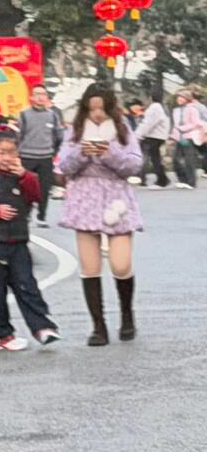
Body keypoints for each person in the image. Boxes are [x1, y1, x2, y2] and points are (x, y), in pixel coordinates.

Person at [57, 84, 143, 346]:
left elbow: (135, 164)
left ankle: (127, 314)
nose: (96, 114)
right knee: (90, 266)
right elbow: (64, 165)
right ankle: (98, 326)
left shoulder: (122, 128)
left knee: (121, 264)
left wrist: (109, 152)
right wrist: (81, 153)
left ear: (109, 107)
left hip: (116, 198)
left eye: (101, 109)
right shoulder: (75, 130)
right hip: (84, 197)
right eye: (91, 108)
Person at [0, 129, 59, 353]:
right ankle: (0, 335)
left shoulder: (23, 176)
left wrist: (24, 176)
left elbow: (36, 196)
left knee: (27, 285)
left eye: (11, 152)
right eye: (1, 152)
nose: (6, 157)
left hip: (17, 240)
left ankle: (42, 327)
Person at [16, 84, 64, 227]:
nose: (40, 97)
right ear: (31, 97)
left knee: (44, 189)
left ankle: (41, 217)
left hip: (45, 157)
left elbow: (59, 136)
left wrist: (53, 151)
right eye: (37, 94)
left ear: (47, 97)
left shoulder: (52, 115)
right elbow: (18, 135)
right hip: (27, 157)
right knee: (25, 188)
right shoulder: (24, 115)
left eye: (43, 94)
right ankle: (25, 215)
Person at [171, 91, 205, 188]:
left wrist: (183, 128)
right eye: (178, 97)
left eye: (182, 97)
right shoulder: (176, 110)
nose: (179, 99)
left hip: (189, 136)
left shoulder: (192, 109)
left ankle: (191, 182)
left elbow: (195, 123)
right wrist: (173, 135)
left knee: (189, 160)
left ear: (187, 99)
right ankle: (183, 179)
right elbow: (175, 125)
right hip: (179, 137)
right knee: (175, 159)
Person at [137, 90, 171, 188]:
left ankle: (161, 180)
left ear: (151, 97)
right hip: (160, 136)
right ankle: (162, 179)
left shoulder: (154, 107)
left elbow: (148, 123)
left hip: (153, 136)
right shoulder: (162, 107)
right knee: (155, 158)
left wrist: (138, 134)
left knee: (151, 158)